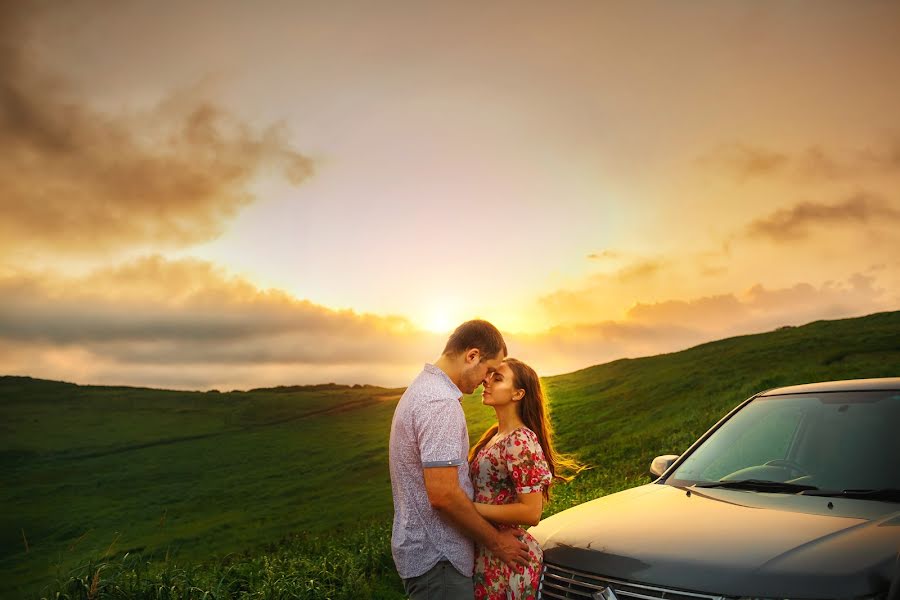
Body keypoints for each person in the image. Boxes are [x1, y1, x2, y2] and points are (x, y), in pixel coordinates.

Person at [389, 320, 531, 599]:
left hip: (430, 555)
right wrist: (497, 544)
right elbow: (443, 494)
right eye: (489, 370)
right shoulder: (440, 403)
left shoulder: (423, 389)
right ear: (472, 356)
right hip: (439, 559)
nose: (485, 381)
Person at [469, 358, 582, 599]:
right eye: (489, 376)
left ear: (518, 393)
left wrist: (468, 509)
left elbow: (531, 512)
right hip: (489, 550)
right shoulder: (495, 436)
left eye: (497, 378)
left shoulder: (521, 440)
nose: (486, 381)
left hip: (508, 560)